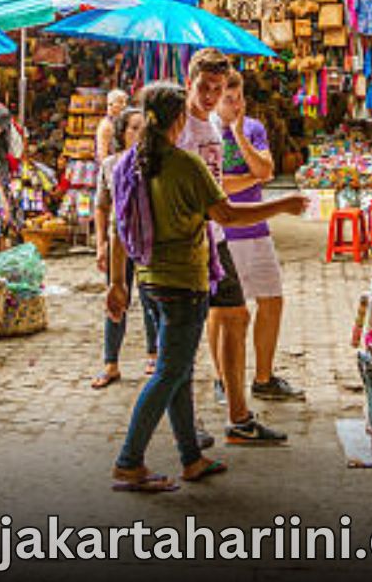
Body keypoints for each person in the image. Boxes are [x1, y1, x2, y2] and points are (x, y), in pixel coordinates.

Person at [107, 82, 308, 492]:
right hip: (183, 281)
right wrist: (283, 204)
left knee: (178, 371)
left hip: (148, 282)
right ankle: (129, 461)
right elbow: (227, 216)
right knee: (168, 373)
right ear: (179, 119)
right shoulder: (185, 164)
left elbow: (117, 227)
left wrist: (115, 283)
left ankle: (191, 458)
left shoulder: (128, 162)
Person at [181, 48, 286, 444]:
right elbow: (218, 196)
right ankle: (183, 428)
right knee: (187, 335)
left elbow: (248, 179)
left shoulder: (211, 132)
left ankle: (238, 417)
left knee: (237, 316)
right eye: (206, 87)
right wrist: (279, 202)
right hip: (191, 242)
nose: (213, 96)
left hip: (216, 237)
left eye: (220, 88)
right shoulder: (180, 128)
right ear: (189, 83)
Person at [213, 70, 304, 401]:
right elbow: (216, 185)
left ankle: (263, 378)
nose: (235, 105)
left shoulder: (252, 128)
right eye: (228, 99)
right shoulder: (205, 132)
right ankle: (223, 379)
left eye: (239, 99)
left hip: (256, 229)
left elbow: (266, 171)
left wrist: (239, 137)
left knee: (272, 299)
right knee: (222, 310)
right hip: (221, 233)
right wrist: (251, 179)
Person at [92, 104, 158, 389]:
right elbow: (101, 207)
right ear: (122, 133)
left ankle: (154, 354)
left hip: (148, 242)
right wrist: (101, 246)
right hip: (119, 242)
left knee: (150, 299)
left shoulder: (155, 163)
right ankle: (111, 363)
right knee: (115, 300)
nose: (139, 133)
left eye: (144, 128)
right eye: (134, 128)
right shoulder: (110, 165)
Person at [95, 89, 129, 165]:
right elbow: (102, 155)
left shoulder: (117, 122)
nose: (124, 105)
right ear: (110, 104)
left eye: (125, 102)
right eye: (120, 102)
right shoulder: (106, 125)